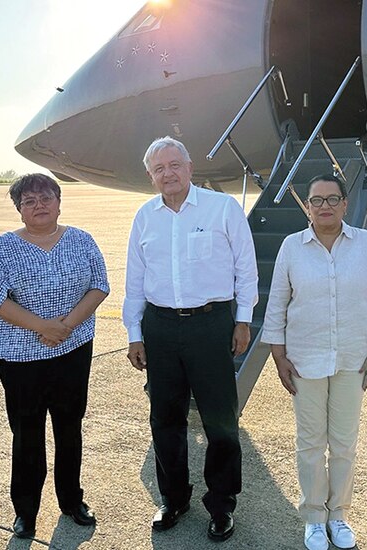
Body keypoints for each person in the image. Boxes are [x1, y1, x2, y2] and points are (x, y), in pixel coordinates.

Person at [123, 136, 258, 542]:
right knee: (165, 418)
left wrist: (243, 320)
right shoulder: (145, 217)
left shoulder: (222, 209)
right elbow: (135, 281)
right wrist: (135, 333)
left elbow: (245, 269)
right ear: (151, 177)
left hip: (210, 324)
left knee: (220, 420)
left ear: (190, 166)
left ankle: (221, 504)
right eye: (159, 169)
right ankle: (174, 498)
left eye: (174, 165)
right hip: (160, 327)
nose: (168, 173)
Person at [261, 175, 367, 550]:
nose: (324, 206)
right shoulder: (292, 247)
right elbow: (278, 304)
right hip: (305, 359)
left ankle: (339, 515)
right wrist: (278, 355)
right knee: (309, 443)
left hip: (354, 358)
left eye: (332, 199)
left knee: (344, 443)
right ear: (306, 206)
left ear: (345, 204)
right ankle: (314, 518)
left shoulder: (365, 244)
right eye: (316, 200)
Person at [0, 174, 109, 540]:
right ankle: (26, 511)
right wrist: (42, 327)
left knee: (70, 428)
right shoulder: (1, 248)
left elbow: (100, 285)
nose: (39, 205)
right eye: (29, 201)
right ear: (19, 209)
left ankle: (71, 500)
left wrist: (64, 327)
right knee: (27, 433)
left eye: (45, 197)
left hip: (73, 350)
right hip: (21, 359)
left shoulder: (81, 240)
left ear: (59, 201)